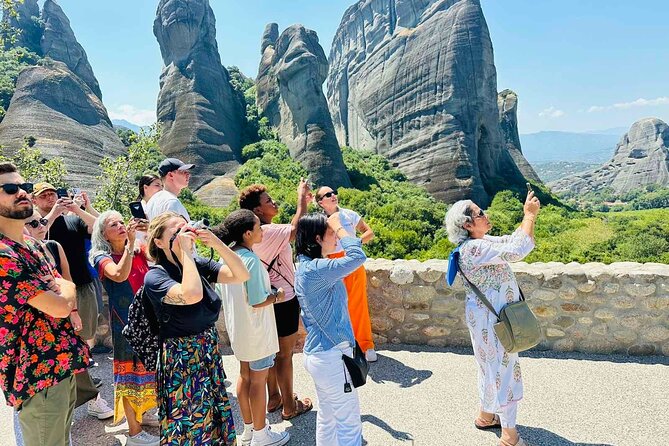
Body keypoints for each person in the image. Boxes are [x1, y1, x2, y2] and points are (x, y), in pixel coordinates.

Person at [0, 163, 90, 446]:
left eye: (24, 187)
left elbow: (61, 289)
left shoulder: (34, 246)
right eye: (10, 189)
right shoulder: (4, 257)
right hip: (36, 377)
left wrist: (63, 289)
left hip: (61, 367)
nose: (22, 193)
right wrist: (65, 288)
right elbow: (60, 304)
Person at [143, 212, 249, 445]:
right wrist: (187, 254)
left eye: (185, 229)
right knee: (189, 425)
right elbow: (190, 295)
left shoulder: (196, 264)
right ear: (159, 242)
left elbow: (241, 274)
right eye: (176, 233)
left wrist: (216, 242)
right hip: (181, 360)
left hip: (207, 352)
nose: (184, 236)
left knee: (212, 419)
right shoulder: (155, 277)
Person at [443, 192, 540, 446]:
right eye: (479, 213)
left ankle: (486, 416)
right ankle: (509, 436)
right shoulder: (475, 248)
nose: (485, 214)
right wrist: (529, 215)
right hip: (493, 320)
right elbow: (518, 251)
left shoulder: (481, 242)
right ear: (467, 225)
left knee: (489, 367)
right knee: (503, 369)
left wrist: (526, 218)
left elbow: (513, 240)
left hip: (486, 318)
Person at [32, 182, 114, 419]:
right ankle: (85, 389)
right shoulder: (35, 224)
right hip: (52, 293)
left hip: (83, 286)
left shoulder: (72, 220)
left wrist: (81, 208)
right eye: (44, 196)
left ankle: (82, 374)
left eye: (53, 194)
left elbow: (97, 229)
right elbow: (35, 238)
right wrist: (53, 213)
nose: (50, 198)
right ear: (35, 201)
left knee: (86, 334)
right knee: (68, 342)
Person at [213, 210, 290, 446]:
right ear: (248, 233)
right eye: (258, 227)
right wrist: (276, 296)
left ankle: (247, 430)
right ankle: (261, 434)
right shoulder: (252, 261)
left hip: (239, 330)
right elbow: (258, 300)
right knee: (258, 382)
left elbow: (220, 293)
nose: (262, 231)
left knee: (244, 377)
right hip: (257, 331)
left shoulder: (227, 257)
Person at [238, 180, 313, 420]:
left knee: (270, 351)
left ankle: (274, 398)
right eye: (269, 201)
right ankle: (290, 406)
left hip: (265, 297)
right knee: (284, 355)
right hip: (284, 298)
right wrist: (301, 197)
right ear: (258, 210)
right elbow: (297, 228)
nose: (274, 202)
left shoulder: (251, 235)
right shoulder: (267, 231)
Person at [294, 212, 367, 446]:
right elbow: (357, 256)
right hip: (332, 356)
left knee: (328, 418)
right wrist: (341, 227)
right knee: (349, 422)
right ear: (317, 239)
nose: (335, 235)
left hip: (319, 354)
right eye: (330, 232)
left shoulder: (307, 267)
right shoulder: (317, 269)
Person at [90, 211, 160, 446]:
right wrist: (130, 246)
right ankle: (134, 432)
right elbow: (119, 275)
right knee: (129, 376)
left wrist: (150, 230)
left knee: (149, 370)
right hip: (126, 324)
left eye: (122, 221)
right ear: (103, 234)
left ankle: (146, 413)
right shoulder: (101, 256)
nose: (121, 225)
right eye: (113, 224)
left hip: (149, 319)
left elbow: (158, 255)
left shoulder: (138, 246)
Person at [315, 186, 377, 362]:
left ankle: (366, 345)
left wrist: (354, 243)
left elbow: (369, 232)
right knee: (335, 305)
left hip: (352, 260)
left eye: (333, 192)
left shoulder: (349, 214)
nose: (333, 195)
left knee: (358, 304)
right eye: (328, 194)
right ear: (321, 202)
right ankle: (342, 346)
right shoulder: (318, 220)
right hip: (330, 262)